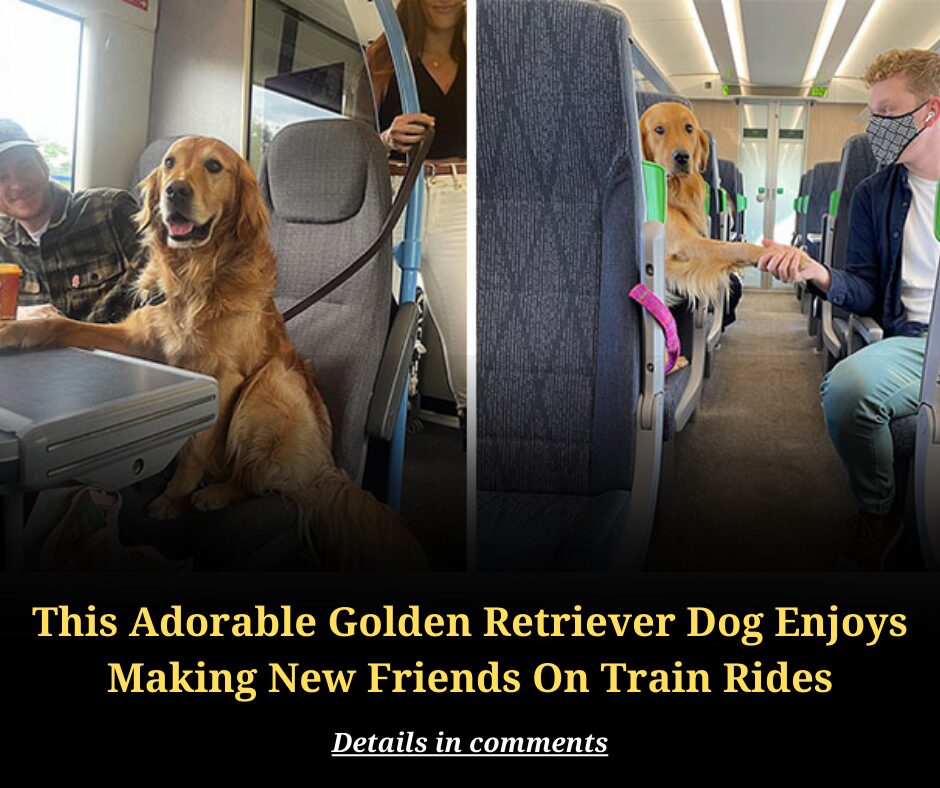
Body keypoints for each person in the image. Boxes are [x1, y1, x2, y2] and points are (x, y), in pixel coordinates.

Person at [757, 49, 940, 570]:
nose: (877, 126)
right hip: (915, 342)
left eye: (889, 112)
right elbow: (861, 287)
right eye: (873, 113)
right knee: (846, 390)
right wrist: (820, 274)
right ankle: (879, 512)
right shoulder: (872, 194)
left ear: (932, 111)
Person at [365, 0, 467, 420]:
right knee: (370, 331)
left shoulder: (484, 63)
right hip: (394, 193)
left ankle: (478, 457)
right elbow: (353, 132)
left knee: (469, 347)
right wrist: (386, 137)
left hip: (461, 195)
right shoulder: (382, 58)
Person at [0, 119, 145, 324]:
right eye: (1, 177)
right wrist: (17, 314)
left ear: (43, 166)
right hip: (33, 355)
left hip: (114, 349)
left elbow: (164, 286)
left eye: (25, 167)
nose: (17, 185)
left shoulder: (109, 210)